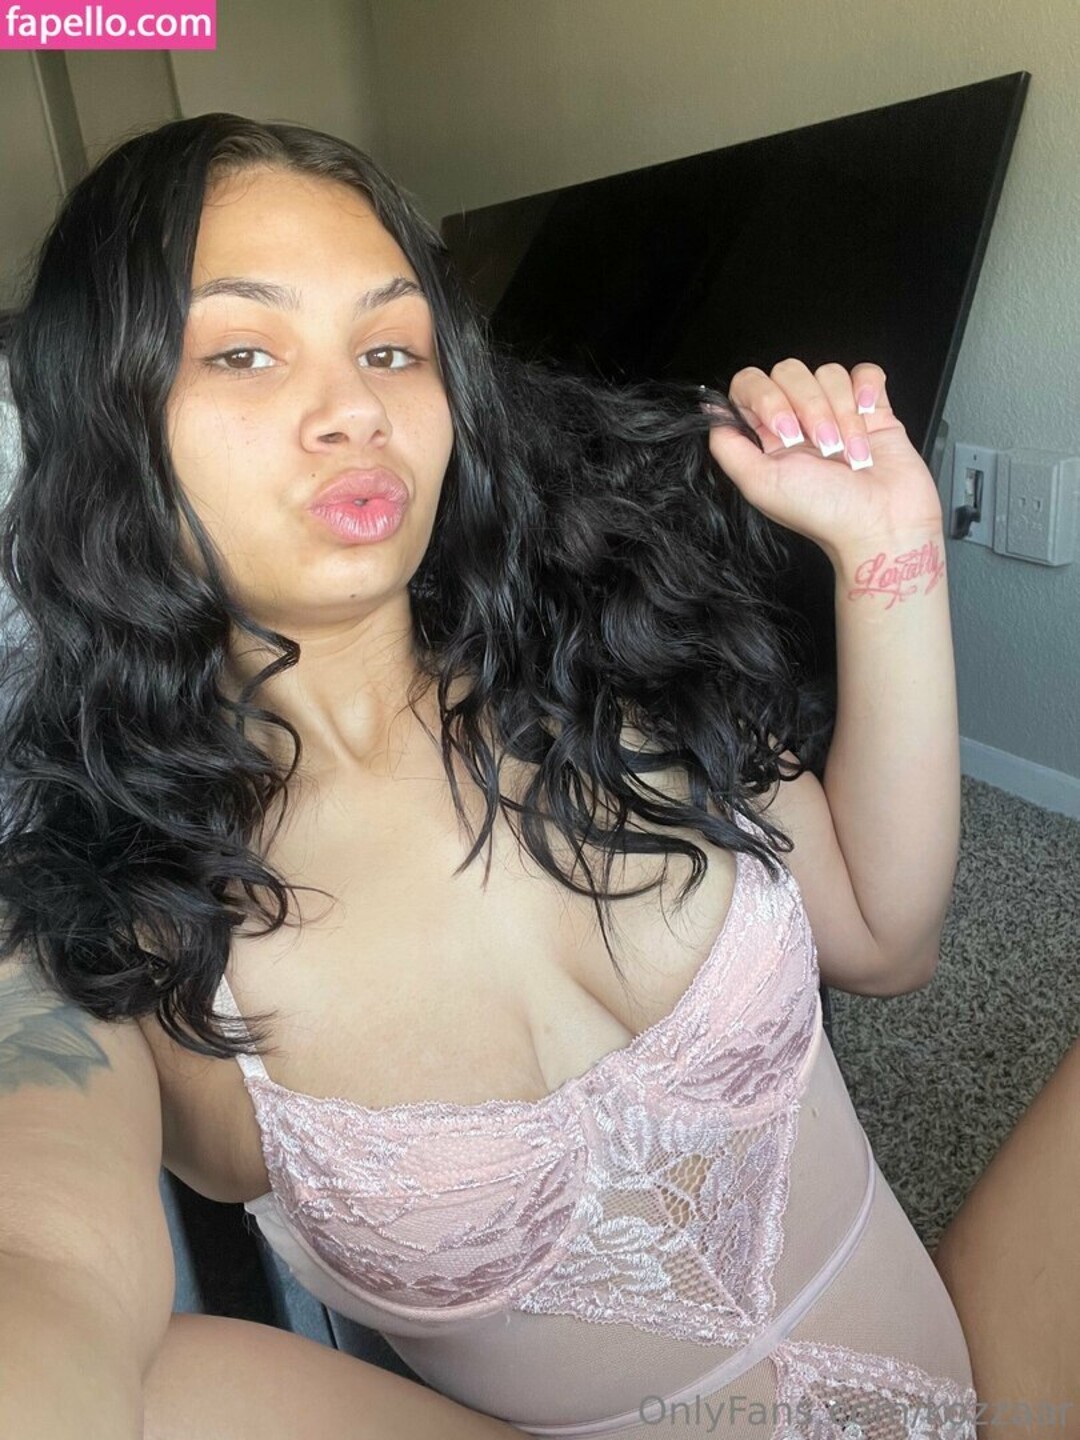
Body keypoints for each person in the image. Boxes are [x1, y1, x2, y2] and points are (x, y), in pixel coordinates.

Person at [0, 113, 1074, 1440]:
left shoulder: (610, 651)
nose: (357, 410)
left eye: (391, 348)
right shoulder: (110, 915)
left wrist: (888, 552)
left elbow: (887, 941)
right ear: (99, 424)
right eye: (243, 351)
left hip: (980, 1393)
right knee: (175, 1390)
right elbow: (39, 1252)